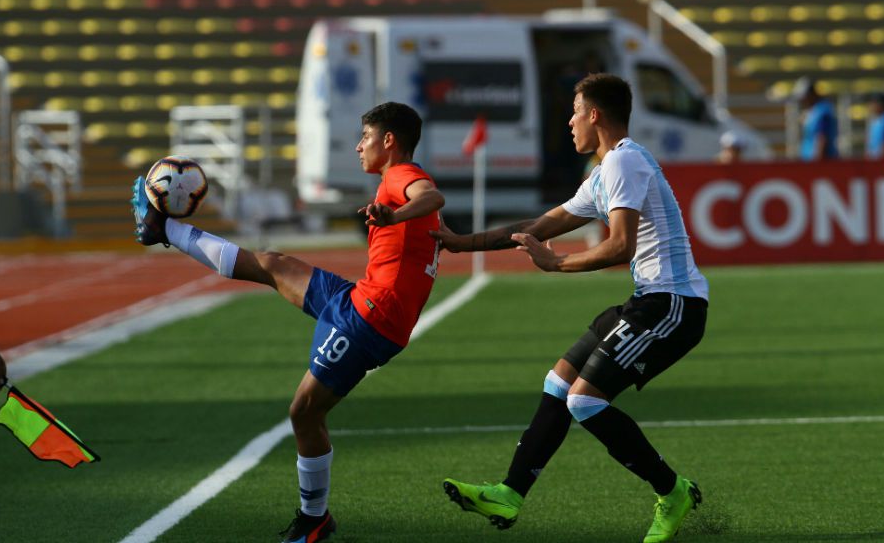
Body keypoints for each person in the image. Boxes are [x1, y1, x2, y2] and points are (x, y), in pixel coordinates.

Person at [131, 102, 444, 543]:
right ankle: (165, 230)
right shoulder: (397, 180)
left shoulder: (401, 177)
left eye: (366, 137)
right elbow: (434, 221)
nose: (358, 146)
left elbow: (430, 196)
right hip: (359, 298)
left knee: (303, 412)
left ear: (388, 141)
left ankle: (314, 517)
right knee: (274, 265)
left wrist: (393, 215)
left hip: (369, 319)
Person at [432, 74, 708, 543]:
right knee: (559, 383)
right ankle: (510, 492)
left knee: (584, 399)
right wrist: (460, 243)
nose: (570, 120)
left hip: (673, 304)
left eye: (576, 111)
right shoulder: (605, 173)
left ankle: (672, 491)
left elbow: (620, 246)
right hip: (648, 300)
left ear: (595, 115)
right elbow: (537, 227)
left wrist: (555, 264)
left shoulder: (624, 161)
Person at [793, 76, 838, 161]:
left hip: (820, 162)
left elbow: (822, 138)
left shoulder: (823, 112)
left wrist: (817, 164)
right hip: (809, 160)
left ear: (810, 95)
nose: (802, 101)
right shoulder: (812, 111)